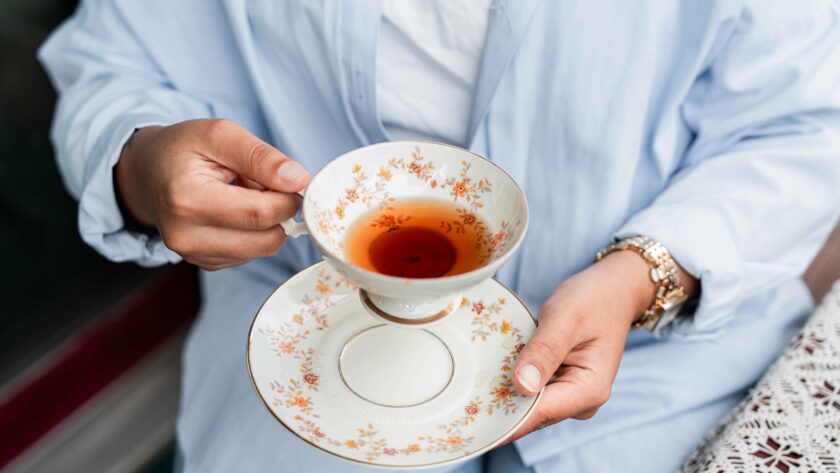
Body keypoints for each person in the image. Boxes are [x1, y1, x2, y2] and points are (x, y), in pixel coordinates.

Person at [39, 1, 840, 472]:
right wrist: (138, 164)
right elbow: (114, 56)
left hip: (654, 356)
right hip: (307, 337)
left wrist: (649, 271)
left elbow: (807, 125)